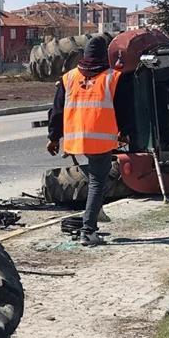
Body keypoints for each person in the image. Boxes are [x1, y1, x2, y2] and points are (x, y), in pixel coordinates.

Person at [47, 36, 132, 246]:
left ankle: (96, 212)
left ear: (84, 55)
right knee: (97, 181)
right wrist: (125, 132)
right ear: (105, 55)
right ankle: (89, 229)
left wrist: (53, 138)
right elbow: (124, 109)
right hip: (101, 140)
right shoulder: (112, 77)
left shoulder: (69, 78)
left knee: (96, 177)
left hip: (77, 140)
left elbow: (56, 111)